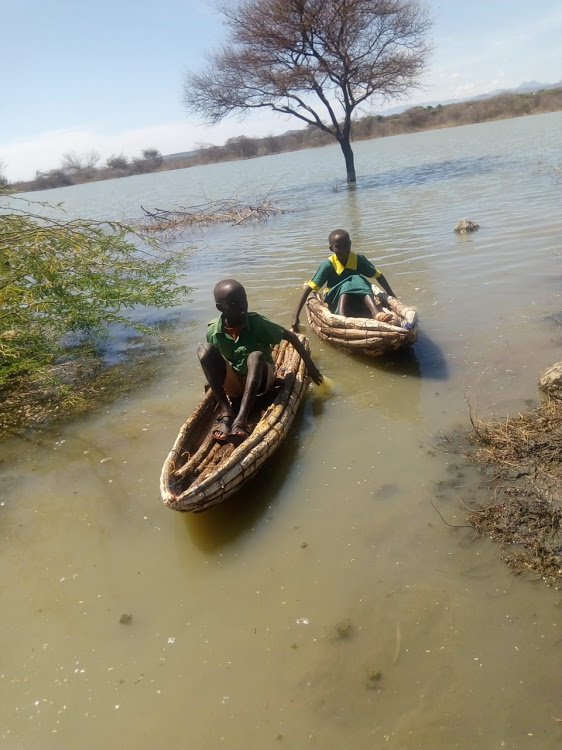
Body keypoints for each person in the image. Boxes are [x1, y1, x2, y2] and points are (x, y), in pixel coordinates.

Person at [199, 279, 323, 441]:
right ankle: (227, 412)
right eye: (234, 303)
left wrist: (311, 367)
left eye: (243, 300)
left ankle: (241, 419)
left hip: (262, 380)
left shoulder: (256, 322)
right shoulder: (213, 331)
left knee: (256, 356)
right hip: (236, 384)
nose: (242, 306)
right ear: (220, 307)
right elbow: (215, 364)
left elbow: (291, 336)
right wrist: (212, 382)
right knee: (204, 350)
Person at [291, 229, 398, 330]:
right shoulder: (328, 265)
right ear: (331, 249)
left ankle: (376, 314)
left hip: (357, 300)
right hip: (335, 300)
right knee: (353, 279)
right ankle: (343, 316)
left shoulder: (357, 259)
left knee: (357, 280)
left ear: (350, 244)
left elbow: (378, 275)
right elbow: (310, 288)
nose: (343, 250)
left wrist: (392, 296)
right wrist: (295, 316)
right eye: (338, 247)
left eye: (346, 245)